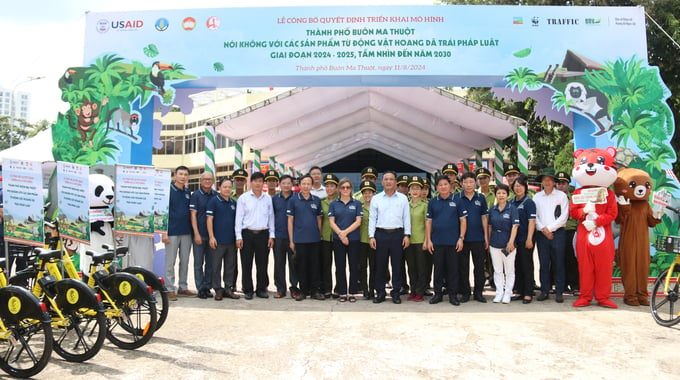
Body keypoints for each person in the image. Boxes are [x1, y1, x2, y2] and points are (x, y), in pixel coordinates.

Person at [368, 171, 411, 304]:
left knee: (397, 265)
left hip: (398, 234)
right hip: (380, 234)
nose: (388, 182)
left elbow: (406, 218)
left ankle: (396, 292)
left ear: (395, 182)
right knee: (380, 265)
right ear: (382, 182)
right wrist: (371, 236)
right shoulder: (376, 198)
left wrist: (407, 235)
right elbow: (372, 218)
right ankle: (380, 292)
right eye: (386, 179)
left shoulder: (403, 198)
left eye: (391, 179)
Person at [425, 175, 467, 305]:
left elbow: (463, 220)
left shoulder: (457, 200)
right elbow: (428, 221)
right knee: (438, 269)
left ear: (450, 185)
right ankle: (438, 294)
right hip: (437, 242)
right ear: (436, 187)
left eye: (445, 184)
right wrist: (428, 240)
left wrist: (461, 238)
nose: (443, 187)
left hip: (453, 242)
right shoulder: (433, 201)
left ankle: (453, 295)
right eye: (440, 185)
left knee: (453, 269)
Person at [235, 171, 275, 300]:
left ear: (263, 183)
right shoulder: (244, 198)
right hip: (247, 234)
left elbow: (271, 218)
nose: (258, 184)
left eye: (260, 181)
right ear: (251, 182)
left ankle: (261, 289)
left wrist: (271, 235)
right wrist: (238, 236)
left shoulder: (267, 198)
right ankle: (247, 289)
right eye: (255, 181)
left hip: (263, 234)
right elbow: (238, 218)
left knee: (262, 263)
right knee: (246, 263)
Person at [534, 168, 569, 303]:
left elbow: (564, 216)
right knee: (543, 263)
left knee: (558, 263)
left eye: (549, 180)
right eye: (544, 180)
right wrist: (543, 229)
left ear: (554, 181)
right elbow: (534, 216)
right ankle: (544, 290)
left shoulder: (561, 196)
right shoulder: (537, 197)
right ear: (542, 182)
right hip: (541, 234)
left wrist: (550, 228)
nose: (547, 182)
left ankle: (559, 291)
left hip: (558, 233)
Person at [287, 175, 324, 301]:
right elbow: (290, 221)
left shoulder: (316, 200)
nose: (306, 186)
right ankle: (303, 291)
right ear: (300, 185)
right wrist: (291, 240)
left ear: (312, 185)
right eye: (304, 183)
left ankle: (315, 291)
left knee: (315, 265)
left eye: (308, 184)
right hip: (300, 239)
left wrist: (319, 235)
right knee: (301, 266)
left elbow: (319, 219)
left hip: (314, 239)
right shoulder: (293, 200)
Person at [455, 171, 489, 303]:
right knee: (463, 267)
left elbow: (484, 218)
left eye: (471, 182)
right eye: (466, 182)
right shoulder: (457, 198)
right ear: (461, 183)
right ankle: (465, 292)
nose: (468, 185)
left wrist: (486, 237)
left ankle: (479, 293)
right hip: (462, 239)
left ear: (475, 183)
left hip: (478, 238)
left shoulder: (480, 198)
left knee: (479, 267)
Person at [163, 165, 196, 300]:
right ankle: (169, 288)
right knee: (170, 262)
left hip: (186, 232)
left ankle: (183, 287)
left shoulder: (188, 192)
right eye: (180, 174)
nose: (183, 177)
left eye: (185, 174)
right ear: (175, 175)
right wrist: (164, 232)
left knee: (185, 261)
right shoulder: (168, 190)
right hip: (171, 232)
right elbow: (163, 212)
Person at [328, 178, 363, 303]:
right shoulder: (333, 204)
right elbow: (331, 222)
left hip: (353, 239)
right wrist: (341, 235)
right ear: (339, 189)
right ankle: (342, 292)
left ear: (351, 189)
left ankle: (352, 292)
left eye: (348, 187)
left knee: (354, 266)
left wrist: (345, 233)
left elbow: (358, 221)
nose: (345, 190)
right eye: (343, 187)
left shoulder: (357, 203)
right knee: (340, 266)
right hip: (338, 240)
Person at [206, 177, 239, 300]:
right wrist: (211, 237)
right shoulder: (214, 201)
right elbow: (209, 220)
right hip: (217, 241)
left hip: (231, 241)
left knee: (230, 266)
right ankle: (218, 289)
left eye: (229, 187)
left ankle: (228, 288)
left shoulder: (233, 203)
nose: (227, 189)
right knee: (216, 266)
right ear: (219, 188)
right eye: (225, 187)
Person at [488, 184, 520, 304]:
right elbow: (490, 226)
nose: (501, 195)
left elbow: (515, 226)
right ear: (496, 195)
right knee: (497, 270)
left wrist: (511, 242)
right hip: (495, 243)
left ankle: (508, 293)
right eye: (498, 193)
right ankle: (499, 292)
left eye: (503, 193)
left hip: (508, 244)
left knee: (509, 270)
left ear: (508, 195)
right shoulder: (493, 209)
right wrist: (489, 241)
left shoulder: (512, 209)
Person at [190, 171, 217, 299]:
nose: (207, 181)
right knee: (198, 263)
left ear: (213, 181)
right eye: (205, 179)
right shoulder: (195, 195)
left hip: (212, 236)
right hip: (199, 235)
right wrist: (196, 233)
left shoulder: (216, 195)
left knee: (211, 264)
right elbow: (193, 215)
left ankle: (207, 287)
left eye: (209, 179)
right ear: (201, 181)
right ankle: (200, 288)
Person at [511, 173, 537, 304]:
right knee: (517, 266)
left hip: (525, 238)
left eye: (520, 186)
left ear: (525, 188)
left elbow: (532, 222)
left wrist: (529, 238)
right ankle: (519, 291)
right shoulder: (511, 202)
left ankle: (528, 292)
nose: (518, 188)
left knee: (526, 265)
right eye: (515, 186)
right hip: (514, 241)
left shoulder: (529, 202)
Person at [272, 174, 299, 299]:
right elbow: (271, 218)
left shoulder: (297, 198)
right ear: (280, 184)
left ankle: (294, 288)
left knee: (294, 263)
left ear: (292, 184)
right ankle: (280, 288)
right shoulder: (274, 199)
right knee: (279, 263)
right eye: (284, 183)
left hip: (293, 237)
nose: (286, 185)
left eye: (289, 183)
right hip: (278, 236)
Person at [404, 176, 428, 302]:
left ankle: (420, 291)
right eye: (412, 188)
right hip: (408, 241)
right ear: (408, 190)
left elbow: (427, 224)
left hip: (420, 241)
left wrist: (426, 240)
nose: (415, 191)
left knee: (421, 267)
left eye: (417, 188)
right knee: (411, 267)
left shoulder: (424, 205)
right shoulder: (405, 205)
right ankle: (412, 290)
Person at [556, 171, 579, 296]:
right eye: (558, 183)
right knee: (557, 259)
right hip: (556, 231)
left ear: (568, 184)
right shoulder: (552, 198)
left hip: (570, 230)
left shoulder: (574, 198)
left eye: (563, 183)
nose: (561, 186)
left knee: (571, 259)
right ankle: (561, 285)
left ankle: (574, 285)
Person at [320, 173, 339, 298]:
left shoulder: (342, 201)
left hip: (339, 236)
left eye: (332, 186)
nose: (329, 188)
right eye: (327, 186)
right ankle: (327, 288)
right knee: (326, 264)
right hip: (325, 237)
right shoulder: (322, 202)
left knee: (339, 264)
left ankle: (339, 288)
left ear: (337, 187)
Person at [358, 180, 377, 300]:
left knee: (374, 266)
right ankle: (365, 289)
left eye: (369, 192)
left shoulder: (378, 207)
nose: (367, 195)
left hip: (374, 241)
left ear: (374, 193)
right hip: (361, 241)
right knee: (362, 266)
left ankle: (372, 289)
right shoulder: (359, 207)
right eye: (365, 193)